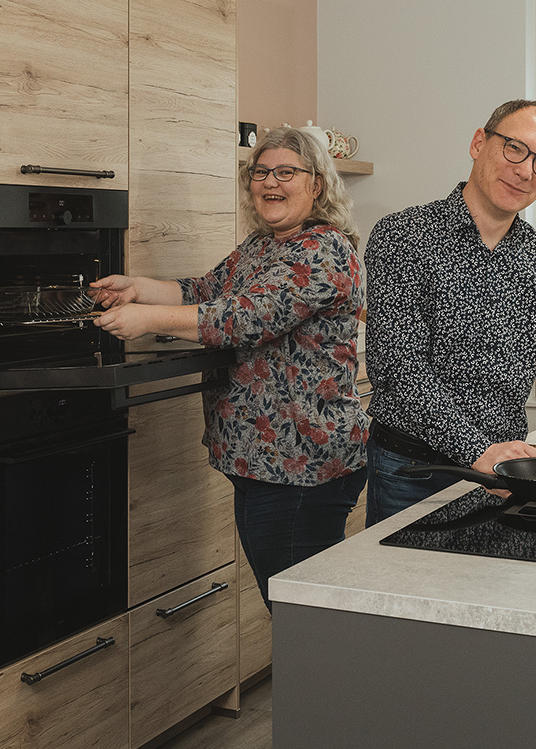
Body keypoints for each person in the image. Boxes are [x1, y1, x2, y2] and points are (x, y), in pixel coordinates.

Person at [89, 127, 368, 607]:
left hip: (302, 466)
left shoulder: (323, 249)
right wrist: (138, 288)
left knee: (305, 617)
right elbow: (206, 291)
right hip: (263, 462)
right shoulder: (263, 245)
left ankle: (330, 684)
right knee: (300, 613)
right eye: (261, 172)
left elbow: (244, 317)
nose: (270, 183)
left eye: (286, 172)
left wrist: (147, 319)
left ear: (317, 184)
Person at [363, 99, 536, 527]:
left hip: (507, 473)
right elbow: (398, 369)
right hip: (415, 474)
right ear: (479, 143)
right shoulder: (404, 237)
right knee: (405, 592)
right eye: (514, 148)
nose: (524, 170)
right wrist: (478, 450)